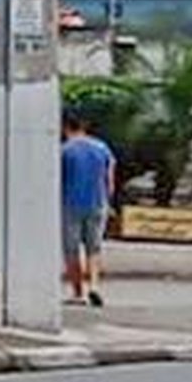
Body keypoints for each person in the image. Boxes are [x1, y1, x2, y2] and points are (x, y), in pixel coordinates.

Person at [59, 111, 116, 309]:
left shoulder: (64, 150)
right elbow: (109, 179)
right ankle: (94, 286)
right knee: (94, 248)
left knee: (71, 250)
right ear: (83, 127)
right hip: (98, 203)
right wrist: (107, 201)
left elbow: (58, 180)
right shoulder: (102, 148)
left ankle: (77, 292)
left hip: (70, 205)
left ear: (65, 128)